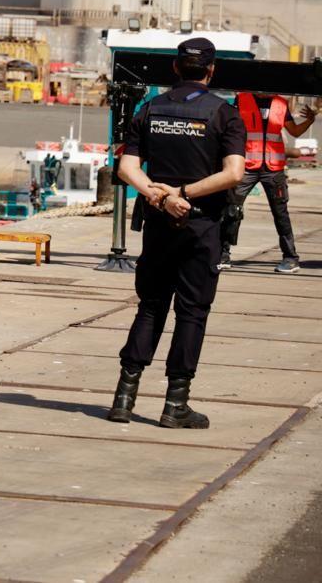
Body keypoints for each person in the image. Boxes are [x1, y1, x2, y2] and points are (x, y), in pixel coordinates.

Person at [107, 37, 246, 430]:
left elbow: (127, 169)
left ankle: (123, 398)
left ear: (175, 68)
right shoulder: (225, 115)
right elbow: (234, 173)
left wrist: (158, 195)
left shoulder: (150, 108)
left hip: (159, 222)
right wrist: (183, 194)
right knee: (192, 312)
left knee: (151, 305)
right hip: (202, 226)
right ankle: (175, 404)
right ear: (212, 69)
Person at [219, 92, 318, 273]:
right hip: (246, 166)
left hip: (273, 169)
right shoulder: (241, 100)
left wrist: (310, 120)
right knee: (231, 209)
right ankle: (222, 255)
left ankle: (290, 258)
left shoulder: (281, 103)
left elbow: (294, 131)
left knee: (281, 214)